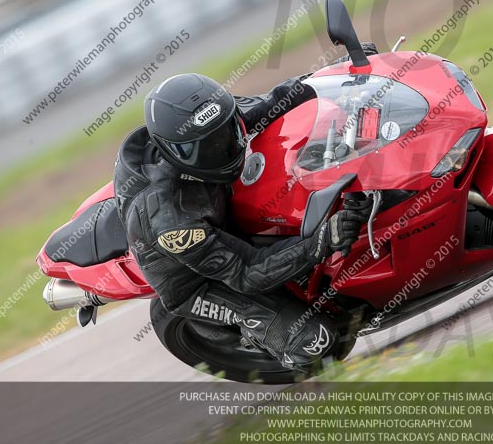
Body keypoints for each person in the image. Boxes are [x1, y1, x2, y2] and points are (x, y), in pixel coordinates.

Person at [113, 69, 371, 373]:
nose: (223, 148)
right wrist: (323, 241)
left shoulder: (210, 121)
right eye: (206, 147)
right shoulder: (169, 221)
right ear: (174, 153)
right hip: (200, 280)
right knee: (319, 344)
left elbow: (273, 101)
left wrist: (333, 78)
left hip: (218, 213)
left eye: (226, 133)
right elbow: (246, 271)